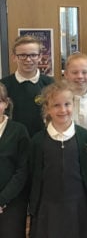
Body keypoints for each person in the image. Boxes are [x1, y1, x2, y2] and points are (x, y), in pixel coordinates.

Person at [28, 81, 87, 238]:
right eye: (56, 105)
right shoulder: (38, 140)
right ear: (47, 108)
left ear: (73, 104)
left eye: (67, 104)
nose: (63, 110)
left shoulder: (84, 136)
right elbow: (34, 174)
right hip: (48, 205)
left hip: (79, 204)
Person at [0, 35, 54, 136]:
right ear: (14, 57)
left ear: (40, 57)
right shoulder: (3, 85)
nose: (28, 59)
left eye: (33, 55)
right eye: (23, 55)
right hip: (12, 142)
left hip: (43, 140)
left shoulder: (50, 84)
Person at [0, 83, 30, 238]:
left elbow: (23, 169)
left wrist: (2, 199)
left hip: (13, 201)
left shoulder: (18, 130)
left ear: (5, 103)